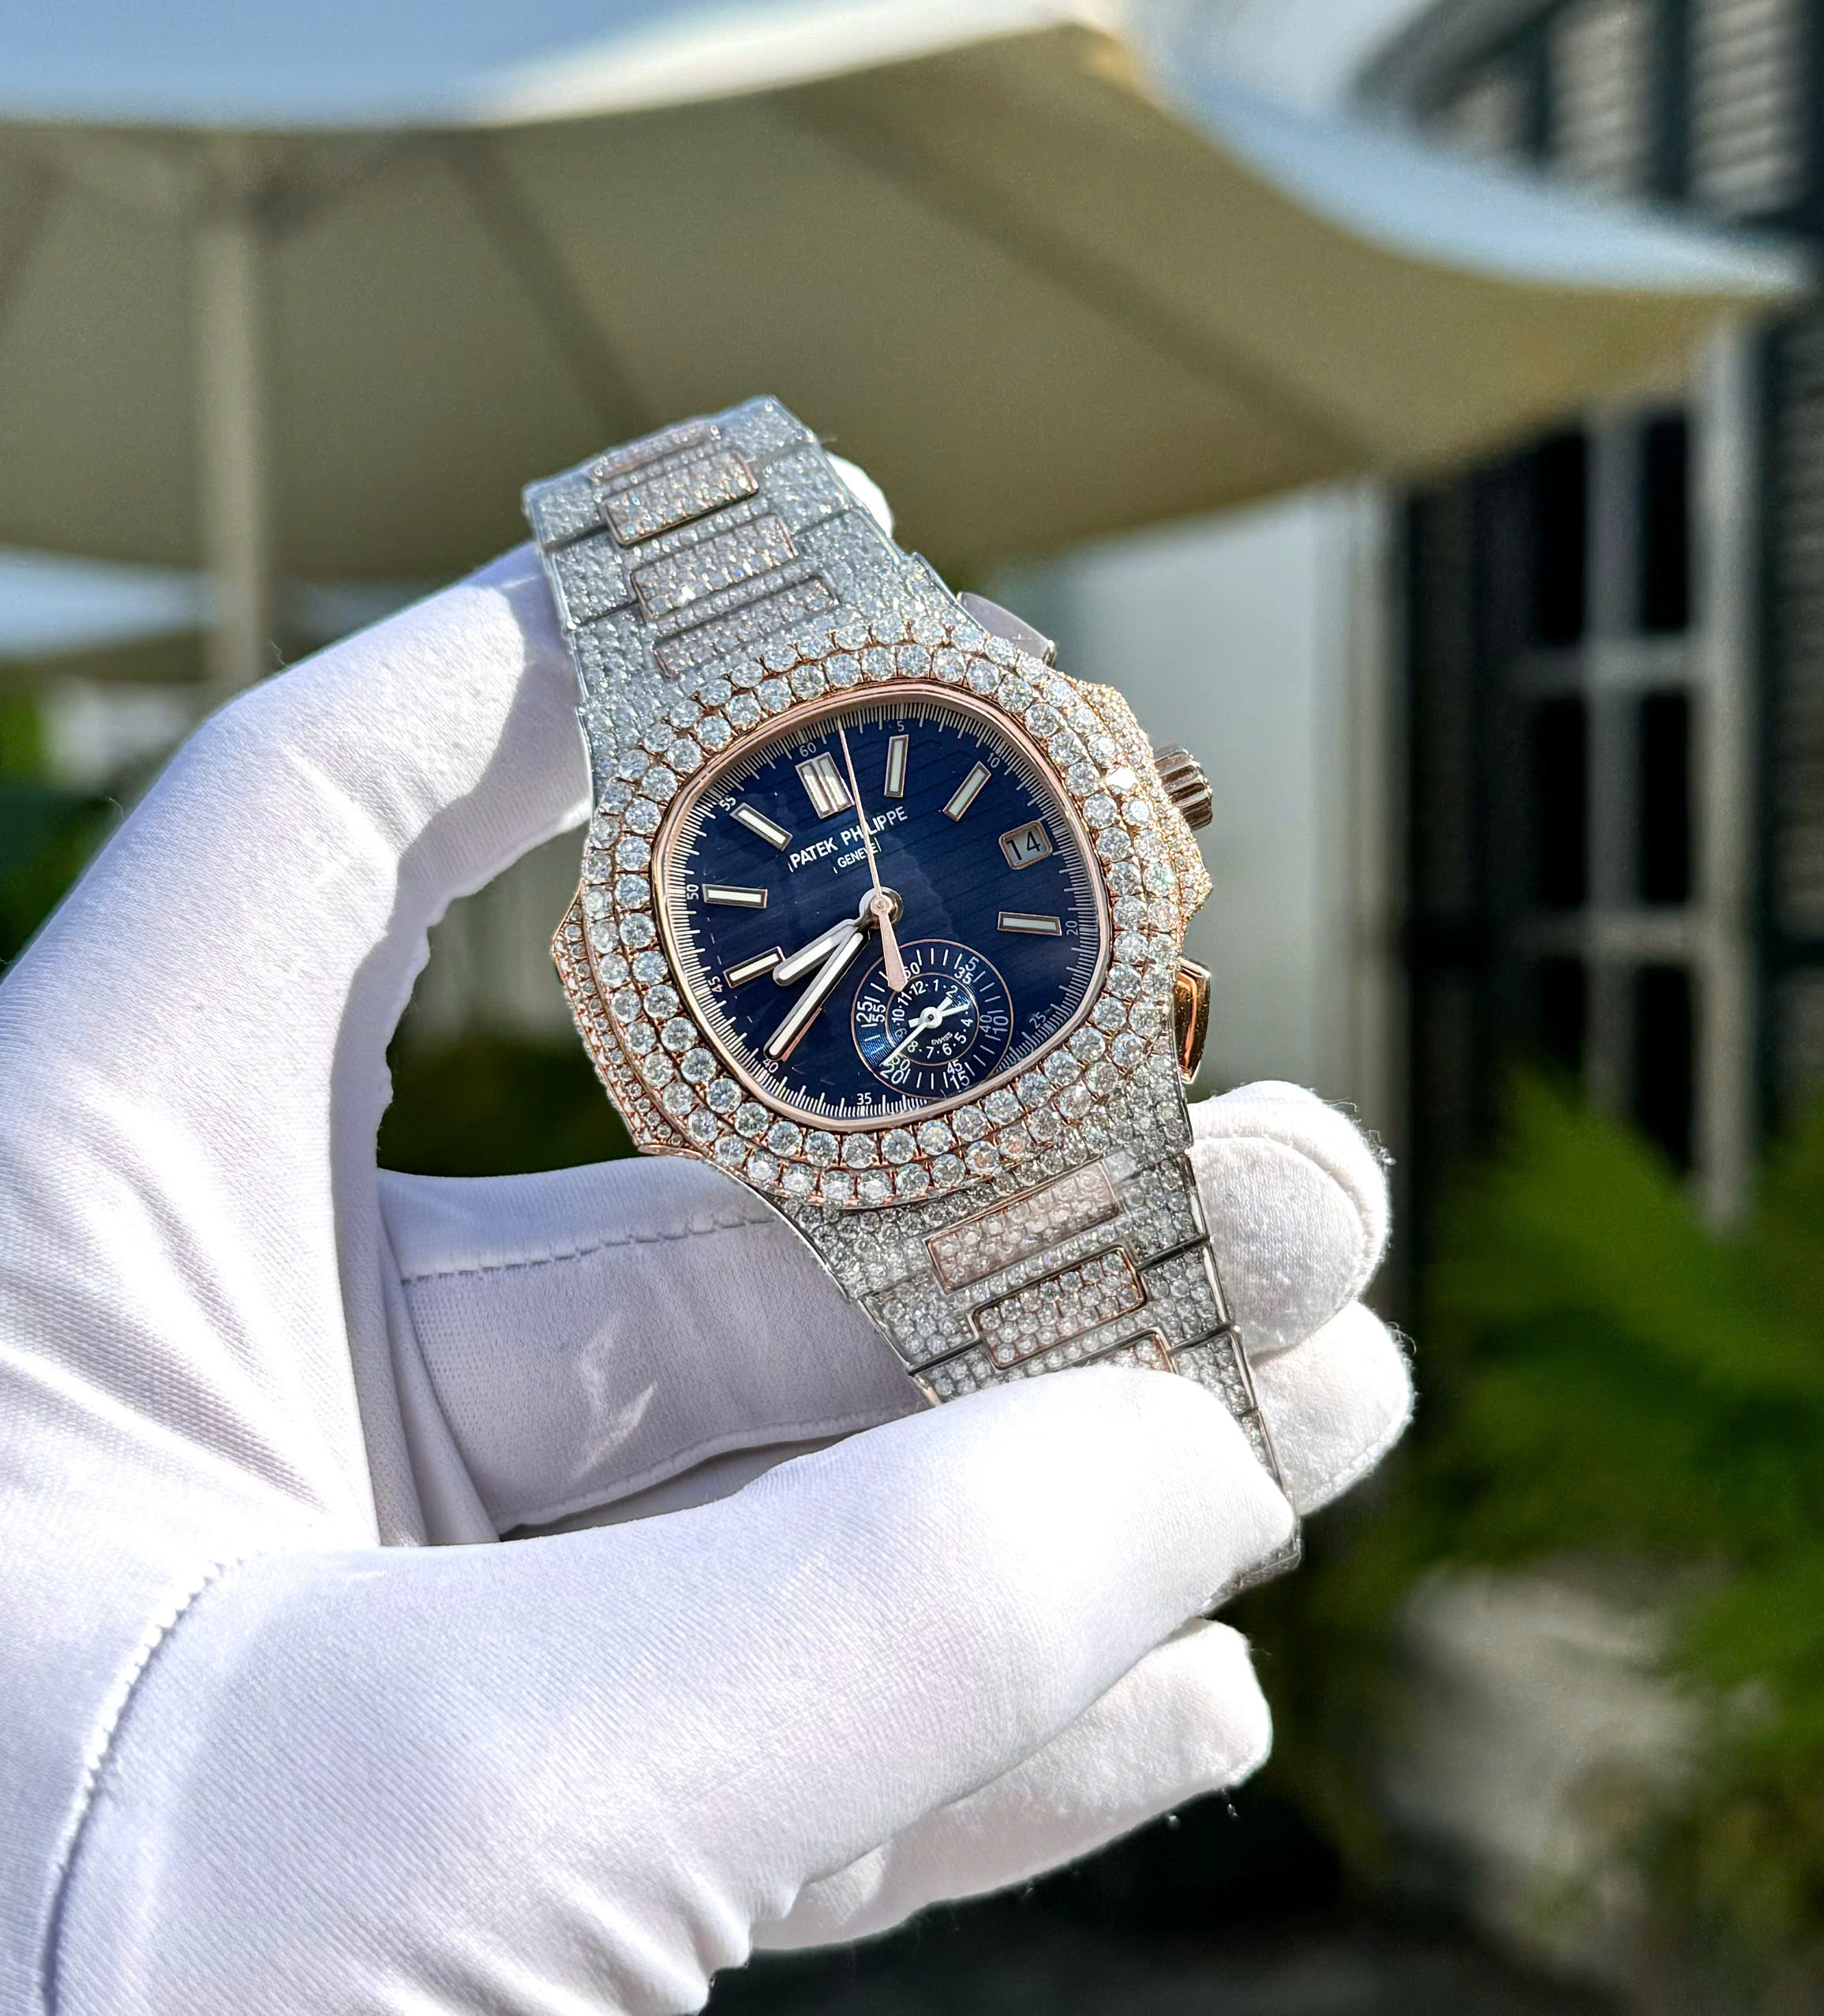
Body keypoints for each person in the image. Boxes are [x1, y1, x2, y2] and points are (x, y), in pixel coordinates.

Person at [0, 546, 1410, 2014]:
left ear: (1146, 806)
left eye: (887, 906)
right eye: (860, 922)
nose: (884, 918)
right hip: (881, 1150)